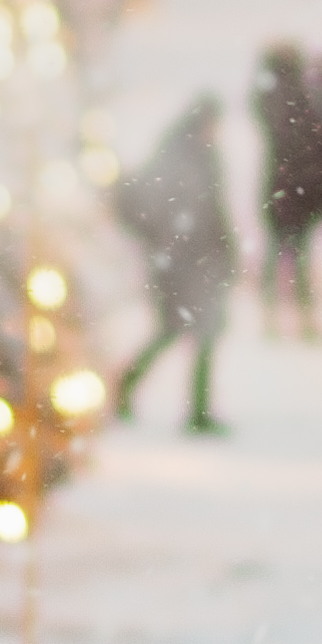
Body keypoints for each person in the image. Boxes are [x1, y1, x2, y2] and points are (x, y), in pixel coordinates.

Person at [108, 95, 237, 431]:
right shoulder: (188, 159)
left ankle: (188, 405)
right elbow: (205, 212)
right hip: (185, 262)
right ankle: (189, 408)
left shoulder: (181, 155)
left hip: (185, 261)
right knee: (184, 333)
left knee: (189, 333)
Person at [253, 43, 322, 333]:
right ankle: (297, 318)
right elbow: (311, 135)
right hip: (298, 186)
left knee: (280, 253)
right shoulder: (297, 95)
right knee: (294, 254)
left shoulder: (272, 93)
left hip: (282, 185)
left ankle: (275, 318)